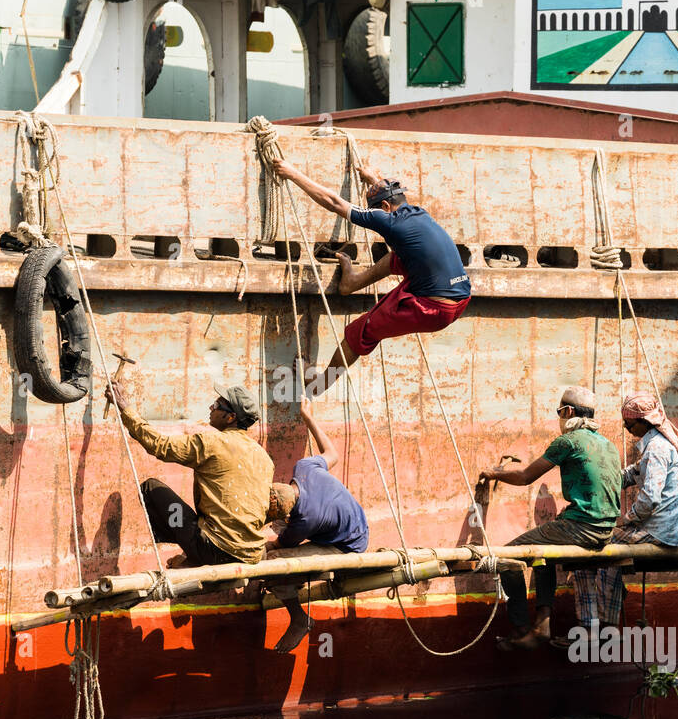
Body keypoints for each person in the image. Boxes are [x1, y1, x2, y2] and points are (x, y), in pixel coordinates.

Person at [271, 157, 471, 396]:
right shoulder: (417, 213)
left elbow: (334, 203)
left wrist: (292, 173)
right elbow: (389, 199)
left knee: (359, 332)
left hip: (431, 307)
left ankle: (317, 386)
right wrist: (373, 180)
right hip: (460, 298)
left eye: (377, 209)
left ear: (385, 208)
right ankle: (353, 282)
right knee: (399, 257)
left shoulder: (387, 220)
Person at [478, 386, 621, 650]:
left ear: (567, 411)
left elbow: (524, 477)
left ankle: (522, 628)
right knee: (544, 553)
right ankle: (542, 624)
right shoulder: (607, 444)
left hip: (582, 527)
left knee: (507, 555)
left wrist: (494, 473)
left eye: (559, 412)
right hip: (606, 529)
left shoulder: (568, 441)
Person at [109, 377, 274, 569]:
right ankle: (192, 551)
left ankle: (193, 553)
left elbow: (160, 446)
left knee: (151, 489)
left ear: (231, 418)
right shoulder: (264, 458)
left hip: (213, 550)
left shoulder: (213, 444)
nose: (211, 408)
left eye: (217, 405)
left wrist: (124, 407)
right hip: (252, 554)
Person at [570, 392, 678, 633]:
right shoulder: (661, 444)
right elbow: (632, 474)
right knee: (611, 556)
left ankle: (591, 627)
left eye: (629, 423)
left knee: (589, 550)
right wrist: (603, 478)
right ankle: (608, 622)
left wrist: (627, 519)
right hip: (672, 530)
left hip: (659, 532)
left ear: (644, 422)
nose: (626, 428)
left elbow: (650, 500)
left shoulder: (655, 448)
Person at [263, 399, 369, 652]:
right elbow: (332, 453)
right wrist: (307, 416)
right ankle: (296, 579)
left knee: (272, 560)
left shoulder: (306, 520)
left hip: (348, 546)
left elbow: (273, 546)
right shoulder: (305, 467)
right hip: (347, 523)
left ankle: (298, 618)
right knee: (278, 537)